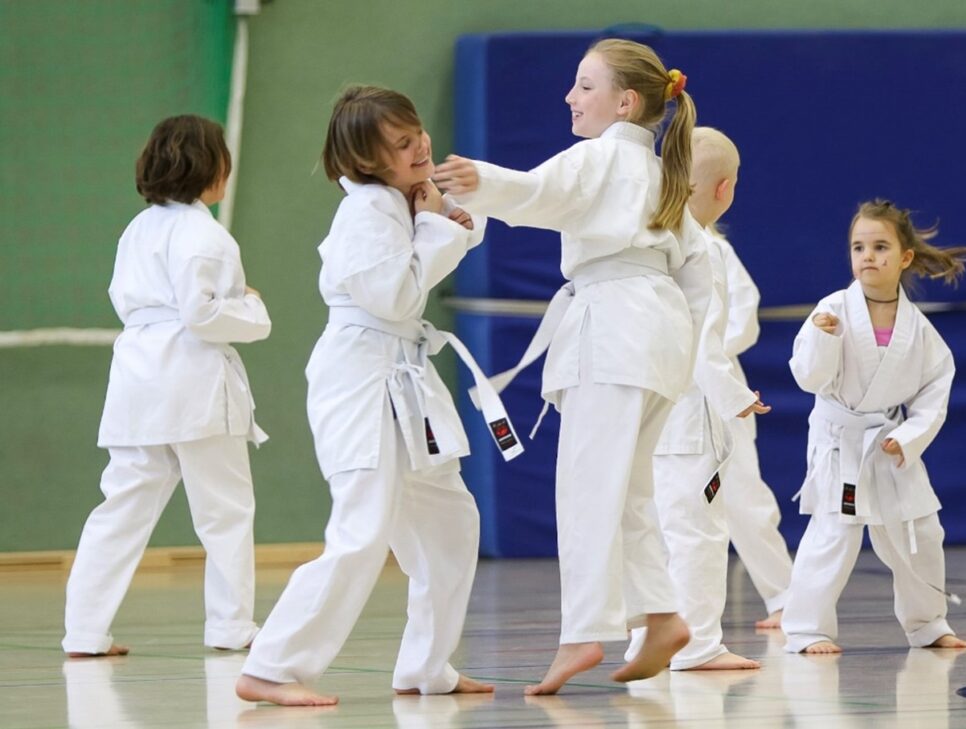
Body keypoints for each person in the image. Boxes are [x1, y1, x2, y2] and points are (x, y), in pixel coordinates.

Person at [435, 38, 707, 694]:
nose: (569, 96)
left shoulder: (603, 156)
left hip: (613, 331)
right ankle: (664, 614)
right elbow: (700, 270)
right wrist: (682, 343)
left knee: (587, 488)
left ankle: (581, 632)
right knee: (632, 491)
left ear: (624, 102)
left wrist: (480, 180)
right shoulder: (664, 174)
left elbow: (537, 193)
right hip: (659, 336)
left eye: (584, 85)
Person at [236, 86, 499, 706]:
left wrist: (444, 216)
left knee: (450, 523)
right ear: (366, 160)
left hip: (401, 374)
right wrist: (438, 223)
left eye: (418, 134)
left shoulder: (399, 200)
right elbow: (399, 297)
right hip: (359, 376)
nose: (421, 146)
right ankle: (272, 666)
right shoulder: (362, 214)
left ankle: (426, 667)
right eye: (402, 144)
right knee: (362, 527)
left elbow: (454, 237)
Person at [62, 115, 271, 657]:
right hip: (193, 381)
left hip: (138, 379)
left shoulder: (138, 229)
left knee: (121, 508)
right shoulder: (206, 235)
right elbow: (201, 316)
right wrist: (251, 306)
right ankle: (229, 626)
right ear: (213, 168)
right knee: (224, 510)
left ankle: (84, 631)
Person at [782, 199, 966, 654]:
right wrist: (823, 338)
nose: (867, 256)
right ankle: (807, 630)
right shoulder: (832, 309)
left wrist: (908, 437)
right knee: (834, 534)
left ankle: (928, 624)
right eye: (858, 247)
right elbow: (808, 377)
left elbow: (935, 390)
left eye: (880, 246)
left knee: (921, 531)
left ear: (905, 257)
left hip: (889, 441)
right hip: (840, 443)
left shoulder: (919, 328)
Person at [627, 127, 768, 671]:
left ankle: (647, 639)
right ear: (726, 188)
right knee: (698, 532)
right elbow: (705, 346)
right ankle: (697, 643)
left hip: (645, 410)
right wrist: (738, 399)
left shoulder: (648, 238)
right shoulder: (704, 250)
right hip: (688, 417)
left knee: (655, 531)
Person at [717, 229, 794, 630]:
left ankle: (785, 595)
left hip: (718, 384)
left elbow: (744, 311)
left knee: (742, 493)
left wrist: (707, 354)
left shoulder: (714, 247)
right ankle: (656, 608)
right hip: (662, 384)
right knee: (657, 500)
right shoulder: (646, 244)